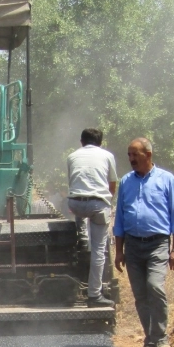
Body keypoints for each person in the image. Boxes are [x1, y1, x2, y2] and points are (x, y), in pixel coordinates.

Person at [113, 138, 174, 347]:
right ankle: (151, 340)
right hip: (133, 246)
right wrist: (119, 251)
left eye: (135, 154)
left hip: (158, 244)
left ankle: (161, 337)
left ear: (148, 155)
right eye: (129, 155)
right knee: (140, 295)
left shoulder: (167, 180)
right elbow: (120, 219)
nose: (131, 159)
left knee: (154, 286)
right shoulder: (126, 182)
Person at [66, 128, 118, 308]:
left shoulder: (72, 156)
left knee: (80, 212)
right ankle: (94, 296)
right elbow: (112, 185)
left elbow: (73, 182)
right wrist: (107, 202)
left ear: (81, 141)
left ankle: (81, 235)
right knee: (99, 250)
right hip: (97, 205)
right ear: (100, 142)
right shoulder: (107, 156)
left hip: (75, 204)